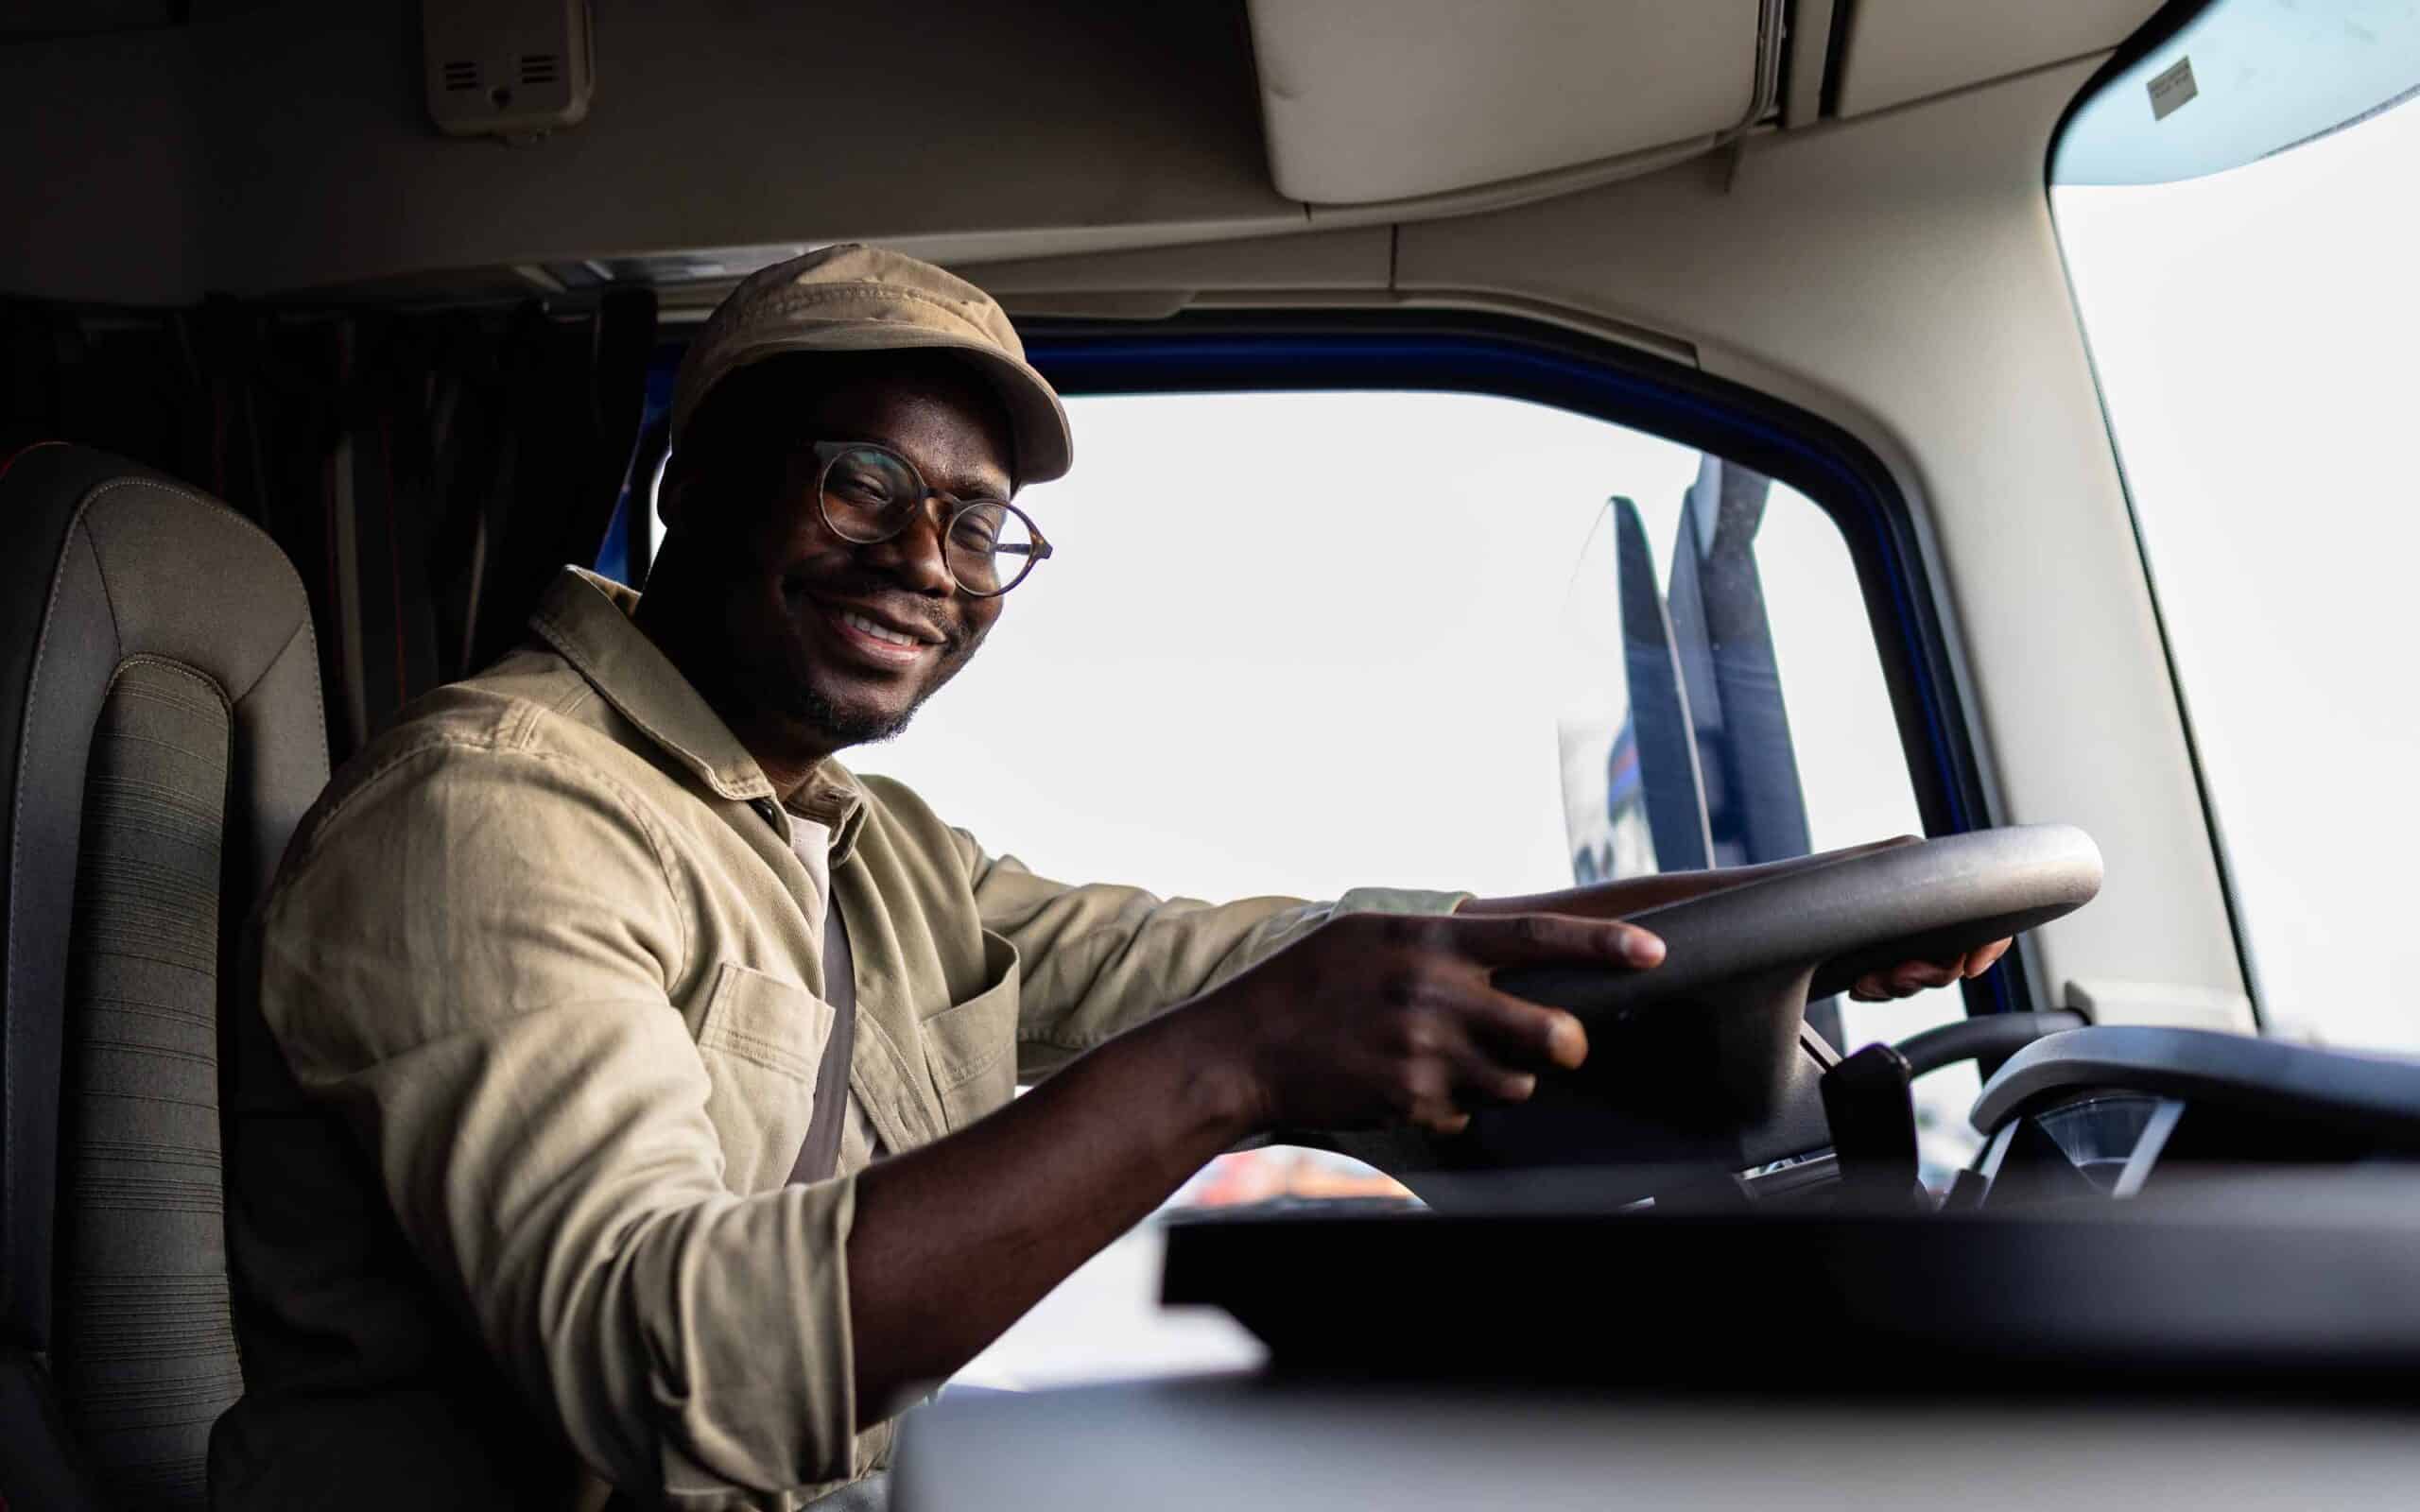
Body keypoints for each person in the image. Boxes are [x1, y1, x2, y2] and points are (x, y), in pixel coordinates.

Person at [209, 245, 2006, 1510]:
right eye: (861, 486)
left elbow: (1267, 956)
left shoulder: (860, 845)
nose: (929, 559)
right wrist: (1228, 1073)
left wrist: (1794, 898)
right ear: (699, 488)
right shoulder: (490, 816)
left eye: (980, 523)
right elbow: (675, 1378)